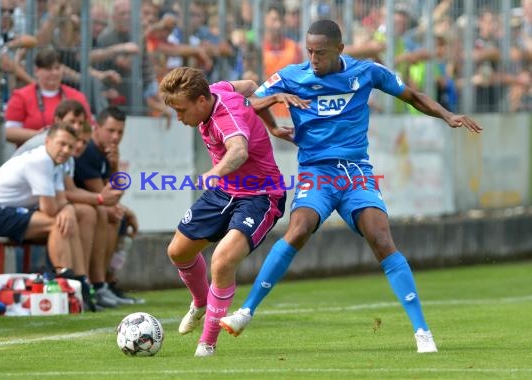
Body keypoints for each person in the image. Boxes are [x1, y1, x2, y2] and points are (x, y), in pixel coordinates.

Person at [220, 19, 482, 353]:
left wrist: (447, 115)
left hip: (356, 171)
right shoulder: (291, 76)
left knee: (382, 239)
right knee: (299, 229)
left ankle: (422, 332)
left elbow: (412, 95)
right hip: (316, 171)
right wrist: (275, 107)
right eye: (310, 51)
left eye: (321, 53)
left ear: (340, 50)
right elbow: (244, 106)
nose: (314, 59)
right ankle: (246, 311)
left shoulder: (366, 71)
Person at [158, 67, 287, 357]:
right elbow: (252, 84)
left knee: (222, 261)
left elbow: (239, 150)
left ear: (202, 101)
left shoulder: (225, 118)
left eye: (181, 110)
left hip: (261, 196)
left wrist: (215, 171)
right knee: (178, 252)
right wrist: (271, 126)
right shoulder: (217, 89)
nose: (179, 118)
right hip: (225, 191)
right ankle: (201, 302)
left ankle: (207, 343)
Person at [12, 99, 124, 309]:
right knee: (68, 220)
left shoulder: (69, 152)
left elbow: (69, 193)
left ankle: (92, 285)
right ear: (56, 123)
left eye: (80, 124)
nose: (76, 129)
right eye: (72, 122)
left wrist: (115, 168)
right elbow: (91, 195)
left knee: (90, 214)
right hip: (2, 209)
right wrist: (92, 202)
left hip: (31, 205)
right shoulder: (50, 152)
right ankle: (75, 287)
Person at [0, 122, 94, 309]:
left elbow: (61, 201)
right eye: (61, 144)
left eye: (70, 146)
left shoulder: (56, 163)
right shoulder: (41, 161)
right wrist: (67, 208)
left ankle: (81, 282)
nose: (66, 150)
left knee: (68, 221)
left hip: (9, 211)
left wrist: (68, 208)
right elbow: (50, 209)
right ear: (47, 141)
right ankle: (67, 283)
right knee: (57, 223)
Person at [73, 106, 140, 305]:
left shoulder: (106, 153)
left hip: (93, 205)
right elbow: (107, 195)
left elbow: (113, 194)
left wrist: (114, 164)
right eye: (111, 130)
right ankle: (96, 284)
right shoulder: (88, 151)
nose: (115, 137)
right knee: (110, 215)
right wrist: (124, 209)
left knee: (118, 219)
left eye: (120, 132)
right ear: (97, 127)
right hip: (82, 208)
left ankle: (107, 283)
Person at [4, 48, 91, 147]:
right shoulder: (21, 96)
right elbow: (9, 132)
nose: (54, 73)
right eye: (48, 69)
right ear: (37, 71)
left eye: (57, 68)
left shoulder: (76, 97)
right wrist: (41, 136)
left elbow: (88, 128)